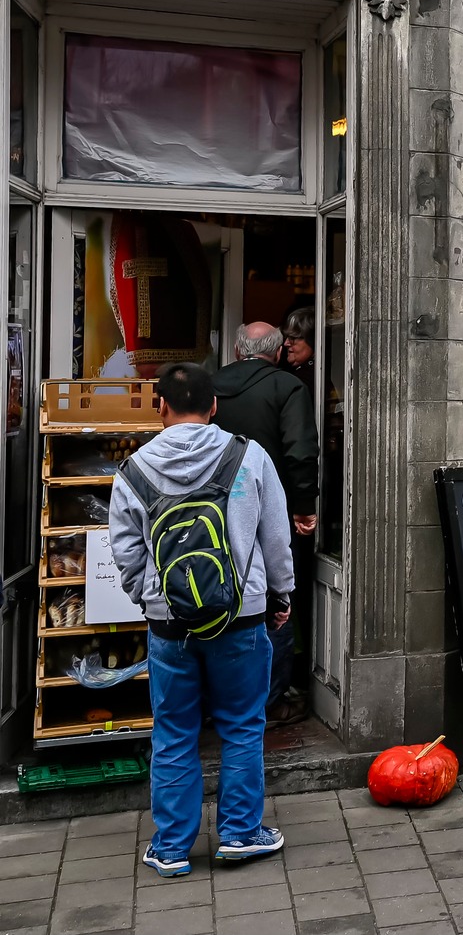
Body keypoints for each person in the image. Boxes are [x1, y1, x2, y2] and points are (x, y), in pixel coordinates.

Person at [109, 362, 294, 877]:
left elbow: (125, 552)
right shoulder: (249, 456)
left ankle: (170, 848)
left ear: (159, 407)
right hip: (241, 616)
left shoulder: (135, 470)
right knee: (241, 726)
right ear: (214, 406)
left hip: (170, 625)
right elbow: (275, 537)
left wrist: (148, 597)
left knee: (173, 732)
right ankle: (239, 834)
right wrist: (281, 596)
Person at [210, 322, 319, 726]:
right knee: (277, 592)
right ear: (275, 353)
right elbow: (300, 451)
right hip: (272, 508)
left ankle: (221, 692)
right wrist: (304, 504)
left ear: (238, 351)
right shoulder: (287, 387)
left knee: (217, 584)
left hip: (212, 513)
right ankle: (270, 699)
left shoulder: (211, 387)